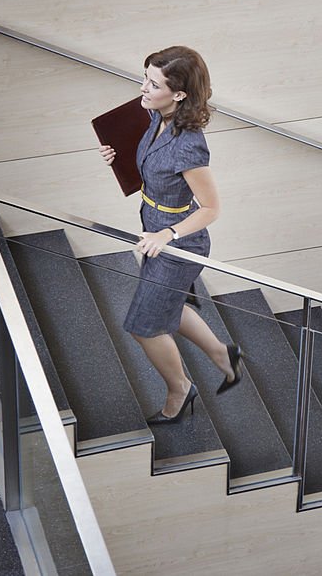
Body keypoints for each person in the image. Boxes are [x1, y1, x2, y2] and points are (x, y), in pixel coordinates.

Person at [99, 46, 242, 424]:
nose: (142, 88)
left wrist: (167, 235)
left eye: (153, 83)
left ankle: (181, 388)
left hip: (180, 242)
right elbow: (154, 161)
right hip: (155, 231)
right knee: (169, 307)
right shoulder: (154, 113)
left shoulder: (190, 146)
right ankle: (223, 355)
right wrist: (123, 158)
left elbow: (211, 209)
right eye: (145, 77)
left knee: (144, 327)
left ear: (179, 94)